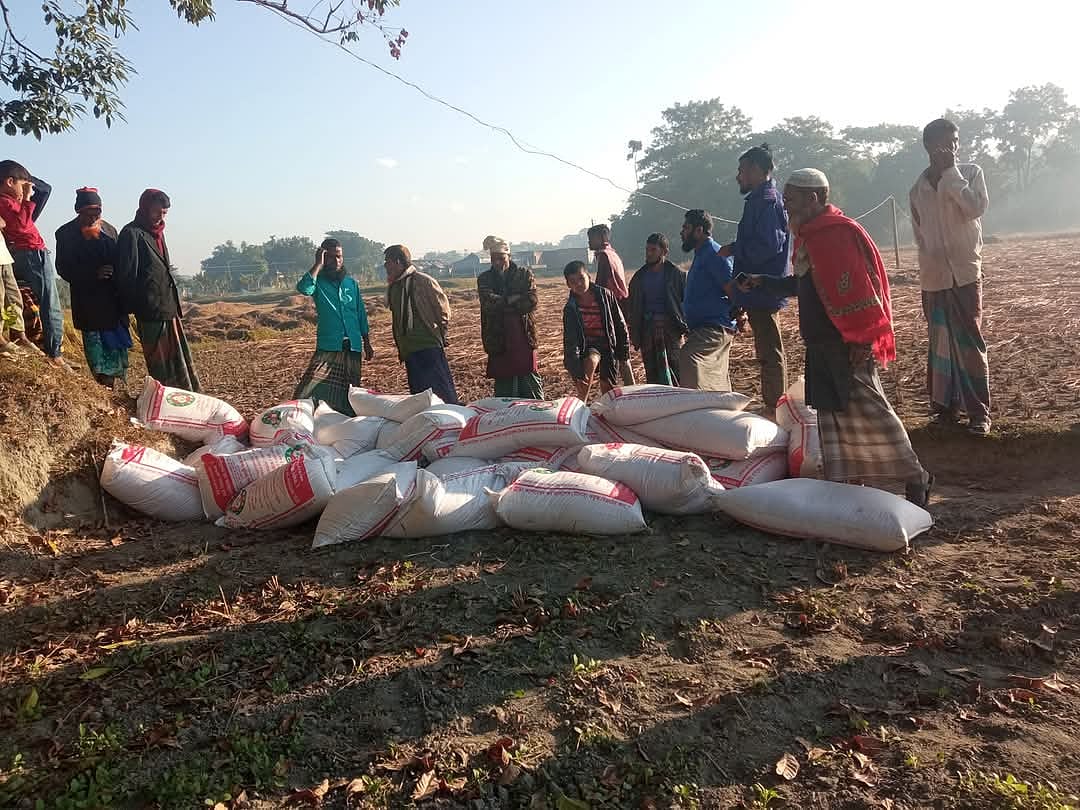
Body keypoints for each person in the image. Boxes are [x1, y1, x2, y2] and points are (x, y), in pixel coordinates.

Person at [739, 168, 933, 507]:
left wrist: (861, 339)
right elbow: (805, 286)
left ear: (814, 198)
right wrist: (762, 281)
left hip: (847, 344)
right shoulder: (809, 237)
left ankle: (916, 477)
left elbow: (859, 287)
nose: (787, 207)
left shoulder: (837, 234)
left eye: (792, 200)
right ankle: (844, 486)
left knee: (874, 414)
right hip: (820, 344)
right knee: (833, 420)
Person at [910, 118, 991, 436]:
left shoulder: (970, 174)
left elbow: (974, 208)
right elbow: (920, 234)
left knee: (970, 343)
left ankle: (978, 413)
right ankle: (944, 408)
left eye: (955, 141)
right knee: (939, 344)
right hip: (933, 277)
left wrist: (951, 175)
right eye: (944, 143)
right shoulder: (917, 189)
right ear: (928, 146)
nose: (952, 148)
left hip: (965, 273)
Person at [720, 144, 791, 417]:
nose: (739, 176)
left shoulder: (767, 201)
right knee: (766, 346)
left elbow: (767, 246)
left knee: (770, 349)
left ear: (758, 170)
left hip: (763, 287)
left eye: (742, 170)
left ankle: (776, 405)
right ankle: (774, 401)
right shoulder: (758, 200)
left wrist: (737, 250)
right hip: (756, 288)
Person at [114, 189, 200, 391]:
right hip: (150, 309)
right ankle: (167, 401)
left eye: (164, 213)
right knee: (160, 364)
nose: (160, 217)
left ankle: (187, 397)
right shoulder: (131, 234)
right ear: (144, 209)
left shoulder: (158, 234)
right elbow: (126, 275)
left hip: (168, 306)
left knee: (178, 360)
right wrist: (129, 308)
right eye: (156, 212)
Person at [55, 188, 130, 387]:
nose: (94, 217)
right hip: (88, 304)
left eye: (97, 212)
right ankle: (104, 388)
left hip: (113, 305)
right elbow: (63, 268)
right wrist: (92, 273)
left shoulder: (110, 230)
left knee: (115, 353)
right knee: (98, 357)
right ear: (78, 211)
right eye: (89, 213)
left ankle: (114, 390)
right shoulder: (65, 234)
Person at [293, 237, 374, 415]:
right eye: (330, 257)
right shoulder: (318, 283)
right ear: (323, 257)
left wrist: (367, 342)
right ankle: (305, 415)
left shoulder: (351, 284)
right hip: (329, 344)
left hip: (353, 345)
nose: (336, 261)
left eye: (339, 257)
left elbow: (360, 314)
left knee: (350, 390)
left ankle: (346, 419)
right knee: (310, 386)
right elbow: (304, 288)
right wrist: (317, 265)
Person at [0, 160, 67, 368]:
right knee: (50, 303)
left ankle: (21, 336)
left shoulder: (10, 201)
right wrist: (27, 197)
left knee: (13, 298)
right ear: (9, 182)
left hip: (15, 253)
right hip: (29, 252)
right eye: (21, 184)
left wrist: (25, 187)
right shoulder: (4, 201)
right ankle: (55, 354)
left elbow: (45, 190)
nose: (24, 190)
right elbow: (21, 226)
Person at [384, 244, 459, 404]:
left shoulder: (423, 281)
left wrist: (440, 334)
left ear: (398, 262)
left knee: (441, 393)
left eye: (387, 261)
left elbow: (443, 311)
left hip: (428, 346)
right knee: (420, 396)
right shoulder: (394, 287)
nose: (385, 266)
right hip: (409, 350)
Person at [477, 235, 543, 399]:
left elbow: (532, 301)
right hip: (497, 335)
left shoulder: (524, 274)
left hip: (522, 334)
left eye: (501, 258)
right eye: (493, 259)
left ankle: (537, 413)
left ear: (509, 256)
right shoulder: (484, 278)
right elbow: (488, 303)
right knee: (504, 379)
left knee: (528, 374)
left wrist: (502, 302)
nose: (497, 262)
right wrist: (512, 299)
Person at [679, 209, 736, 390]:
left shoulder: (714, 254)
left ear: (699, 230)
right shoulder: (701, 254)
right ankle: (716, 410)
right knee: (713, 377)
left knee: (689, 356)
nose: (682, 232)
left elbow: (732, 289)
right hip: (704, 327)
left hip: (715, 326)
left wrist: (740, 313)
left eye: (686, 227)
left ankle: (696, 410)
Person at [562, 260, 630, 401]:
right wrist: (575, 369)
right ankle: (581, 405)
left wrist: (623, 351)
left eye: (581, 278)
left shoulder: (606, 296)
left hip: (608, 345)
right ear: (568, 285)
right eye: (573, 281)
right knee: (590, 363)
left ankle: (608, 413)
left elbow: (620, 325)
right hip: (589, 347)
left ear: (588, 276)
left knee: (608, 387)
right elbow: (571, 340)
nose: (578, 284)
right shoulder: (570, 308)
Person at [625, 233, 688, 385]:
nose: (648, 253)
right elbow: (632, 306)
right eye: (647, 250)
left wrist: (686, 327)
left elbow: (686, 301)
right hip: (648, 330)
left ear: (664, 252)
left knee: (676, 369)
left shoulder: (676, 274)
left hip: (671, 329)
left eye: (653, 250)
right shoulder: (639, 278)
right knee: (652, 373)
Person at [588, 223, 633, 385]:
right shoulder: (612, 253)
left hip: (612, 309)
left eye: (591, 238)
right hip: (620, 307)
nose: (589, 243)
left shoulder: (604, 256)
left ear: (602, 238)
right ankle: (632, 389)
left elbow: (601, 285)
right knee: (623, 356)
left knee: (612, 356)